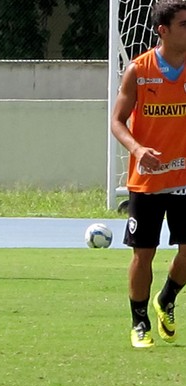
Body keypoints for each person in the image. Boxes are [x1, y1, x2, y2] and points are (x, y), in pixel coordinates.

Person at [110, 0, 186, 349]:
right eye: (184, 24)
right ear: (163, 30)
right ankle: (139, 323)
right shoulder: (139, 70)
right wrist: (139, 150)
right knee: (144, 253)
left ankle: (167, 298)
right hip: (149, 180)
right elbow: (117, 121)